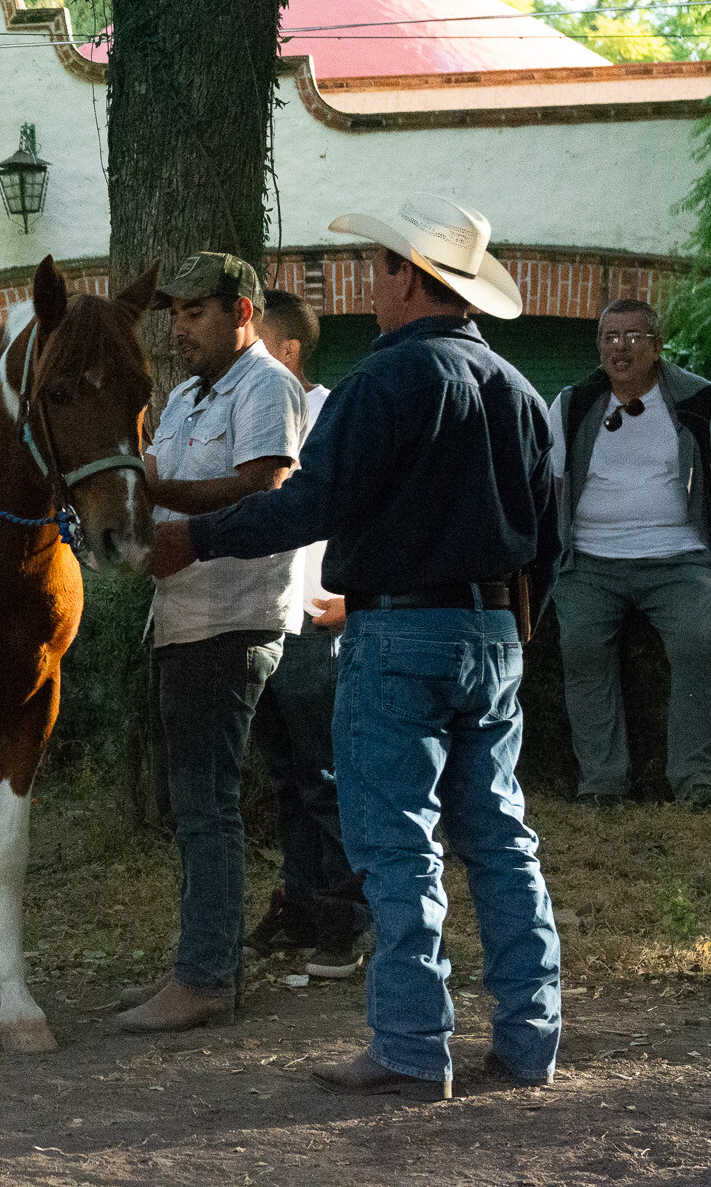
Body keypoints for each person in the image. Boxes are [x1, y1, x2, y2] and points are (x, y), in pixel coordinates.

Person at [155, 193, 564, 1100]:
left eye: (380, 266)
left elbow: (308, 506)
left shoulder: (385, 382)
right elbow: (550, 541)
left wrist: (196, 538)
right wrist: (509, 630)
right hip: (495, 634)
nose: (370, 284)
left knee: (395, 842)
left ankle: (415, 1045)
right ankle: (532, 1039)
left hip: (396, 629)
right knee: (500, 836)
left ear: (407, 279)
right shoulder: (524, 395)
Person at [116, 253, 306, 1034]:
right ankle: (204, 966)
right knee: (197, 804)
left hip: (232, 621)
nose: (177, 326)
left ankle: (205, 976)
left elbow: (261, 486)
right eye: (172, 311)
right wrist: (117, 475)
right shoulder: (191, 395)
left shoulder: (266, 385)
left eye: (195, 310)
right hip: (187, 618)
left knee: (207, 808)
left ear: (242, 313)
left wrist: (153, 495)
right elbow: (154, 465)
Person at [246, 289, 371, 979]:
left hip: (317, 620)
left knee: (326, 777)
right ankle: (300, 907)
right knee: (286, 778)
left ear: (288, 349)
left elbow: (368, 512)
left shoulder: (332, 414)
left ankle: (344, 920)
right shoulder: (253, 413)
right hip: (262, 621)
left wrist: (355, 598)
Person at [546, 298, 711, 810]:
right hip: (592, 561)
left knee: (699, 643)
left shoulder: (697, 402)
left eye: (633, 336)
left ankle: (696, 779)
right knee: (580, 650)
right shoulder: (573, 403)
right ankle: (601, 782)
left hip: (678, 557)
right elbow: (550, 485)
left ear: (657, 346)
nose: (620, 347)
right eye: (609, 337)